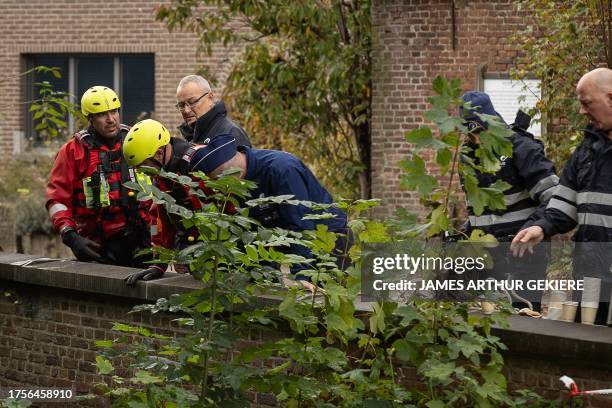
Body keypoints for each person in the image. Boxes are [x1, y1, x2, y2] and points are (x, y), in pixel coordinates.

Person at [122, 122, 350, 288]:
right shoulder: (209, 171)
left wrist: (302, 276)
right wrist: (161, 263)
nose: (219, 185)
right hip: (292, 245)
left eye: (219, 178)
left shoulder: (281, 169)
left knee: (359, 302)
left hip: (331, 238)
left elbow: (301, 223)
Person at [512, 68, 612, 324]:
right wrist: (541, 227)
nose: (581, 111)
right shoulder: (587, 151)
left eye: (586, 103)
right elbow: (564, 202)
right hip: (590, 273)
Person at [458, 92, 558, 307]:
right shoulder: (467, 155)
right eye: (469, 133)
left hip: (523, 253)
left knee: (522, 322)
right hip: (484, 255)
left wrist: (534, 228)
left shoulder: (522, 147)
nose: (476, 140)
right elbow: (479, 210)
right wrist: (464, 233)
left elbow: (554, 198)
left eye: (479, 131)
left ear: (491, 120)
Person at [46, 86, 151, 267]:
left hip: (144, 242)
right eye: (102, 114)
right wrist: (70, 235)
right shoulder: (73, 152)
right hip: (98, 248)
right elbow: (57, 199)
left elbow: (161, 188)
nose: (111, 120)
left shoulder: (137, 139)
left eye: (114, 112)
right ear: (90, 118)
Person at [176, 75, 251, 147]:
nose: (186, 110)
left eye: (192, 102)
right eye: (181, 105)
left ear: (210, 97)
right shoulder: (190, 136)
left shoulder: (230, 133)